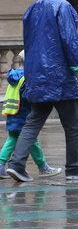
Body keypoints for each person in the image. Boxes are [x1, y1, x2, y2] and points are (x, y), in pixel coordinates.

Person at [5, 0, 78, 182]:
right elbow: (70, 40)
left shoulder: (32, 8)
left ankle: (17, 164)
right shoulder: (63, 7)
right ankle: (75, 169)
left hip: (37, 76)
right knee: (74, 125)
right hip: (61, 77)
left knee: (33, 121)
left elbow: (30, 43)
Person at [0, 51, 61, 179]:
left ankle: (0, 165)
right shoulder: (27, 78)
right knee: (32, 140)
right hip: (24, 115)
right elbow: (29, 97)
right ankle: (43, 167)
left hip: (12, 113)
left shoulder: (13, 75)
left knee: (11, 140)